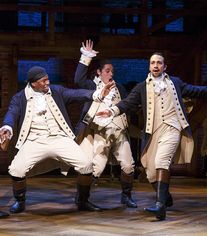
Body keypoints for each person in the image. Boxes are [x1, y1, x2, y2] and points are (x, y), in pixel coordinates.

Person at [96, 52, 207, 220]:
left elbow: (195, 90)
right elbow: (127, 103)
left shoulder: (175, 83)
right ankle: (165, 197)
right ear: (149, 66)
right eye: (153, 62)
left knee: (162, 161)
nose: (155, 65)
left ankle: (160, 206)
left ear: (164, 66)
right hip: (153, 131)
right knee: (150, 170)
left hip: (172, 127)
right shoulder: (142, 87)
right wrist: (111, 110)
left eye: (159, 63)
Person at [0, 65, 114, 214]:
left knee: (86, 165)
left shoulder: (57, 91)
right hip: (34, 140)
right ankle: (20, 201)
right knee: (16, 169)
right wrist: (7, 128)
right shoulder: (20, 97)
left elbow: (76, 94)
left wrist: (98, 94)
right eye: (43, 81)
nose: (47, 83)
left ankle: (83, 200)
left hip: (60, 138)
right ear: (33, 83)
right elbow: (12, 113)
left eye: (47, 79)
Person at [74, 40, 137, 208]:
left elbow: (127, 105)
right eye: (107, 71)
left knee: (128, 165)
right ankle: (82, 198)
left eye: (112, 71)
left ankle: (126, 196)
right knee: (96, 168)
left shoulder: (119, 88)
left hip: (119, 132)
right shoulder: (91, 86)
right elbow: (78, 79)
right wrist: (85, 56)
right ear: (99, 72)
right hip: (100, 133)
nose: (110, 73)